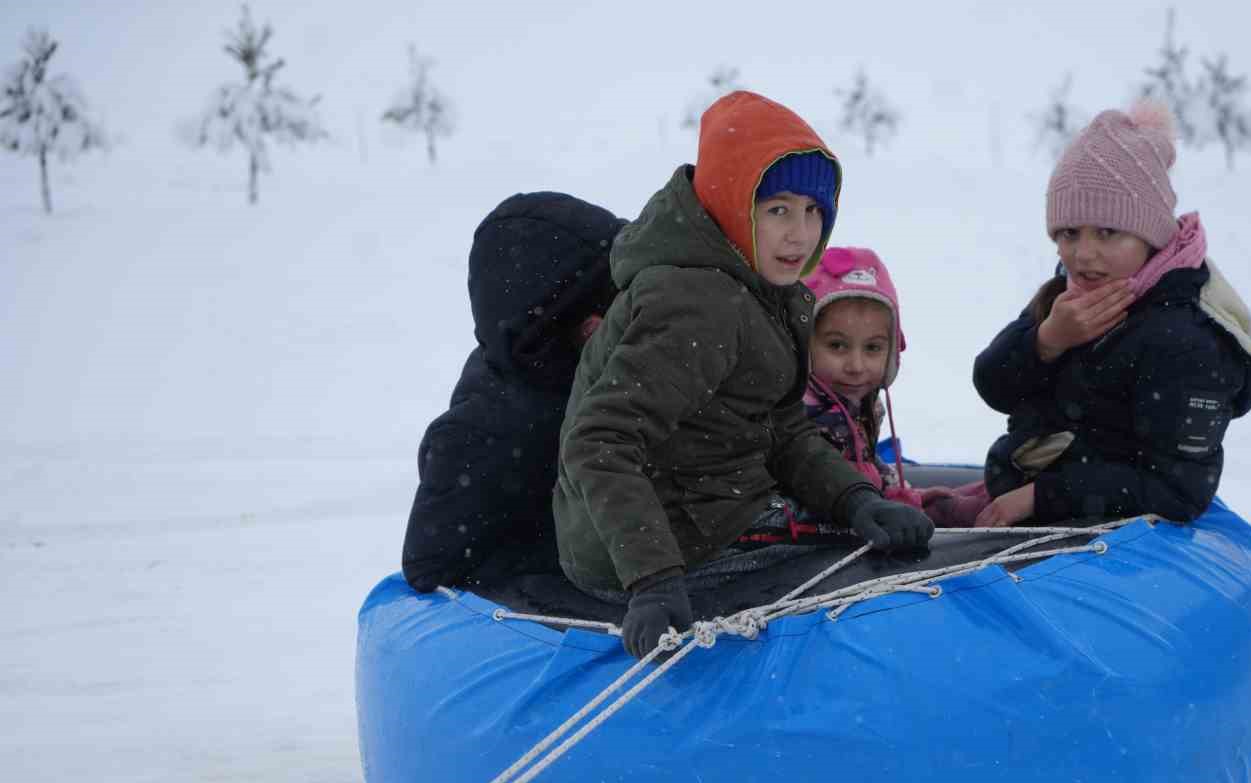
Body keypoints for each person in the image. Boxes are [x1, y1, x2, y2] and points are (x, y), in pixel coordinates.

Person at [553, 91, 934, 658]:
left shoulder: (760, 289)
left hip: (707, 502)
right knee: (877, 578)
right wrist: (654, 580)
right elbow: (601, 441)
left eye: (813, 211)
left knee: (870, 533)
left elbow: (779, 426)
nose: (800, 233)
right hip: (652, 546)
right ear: (733, 205)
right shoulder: (697, 303)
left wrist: (857, 500)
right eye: (778, 208)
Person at [972, 103, 1251, 529]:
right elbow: (994, 387)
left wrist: (1039, 498)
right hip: (1039, 510)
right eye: (1069, 233)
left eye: (1108, 232)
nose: (1083, 254)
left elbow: (1177, 490)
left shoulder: (1185, 338)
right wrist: (1046, 342)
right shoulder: (1070, 293)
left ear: (1151, 235)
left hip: (1104, 542)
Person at [402, 192, 624, 593]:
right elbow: (428, 566)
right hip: (537, 620)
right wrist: (566, 559)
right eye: (615, 308)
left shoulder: (609, 381)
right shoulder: (488, 429)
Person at [802, 245, 990, 526]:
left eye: (873, 348)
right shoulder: (800, 416)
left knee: (975, 496)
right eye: (837, 345)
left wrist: (913, 498)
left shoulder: (863, 404)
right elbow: (821, 488)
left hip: (865, 503)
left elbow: (866, 465)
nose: (856, 365)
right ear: (804, 342)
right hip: (824, 533)